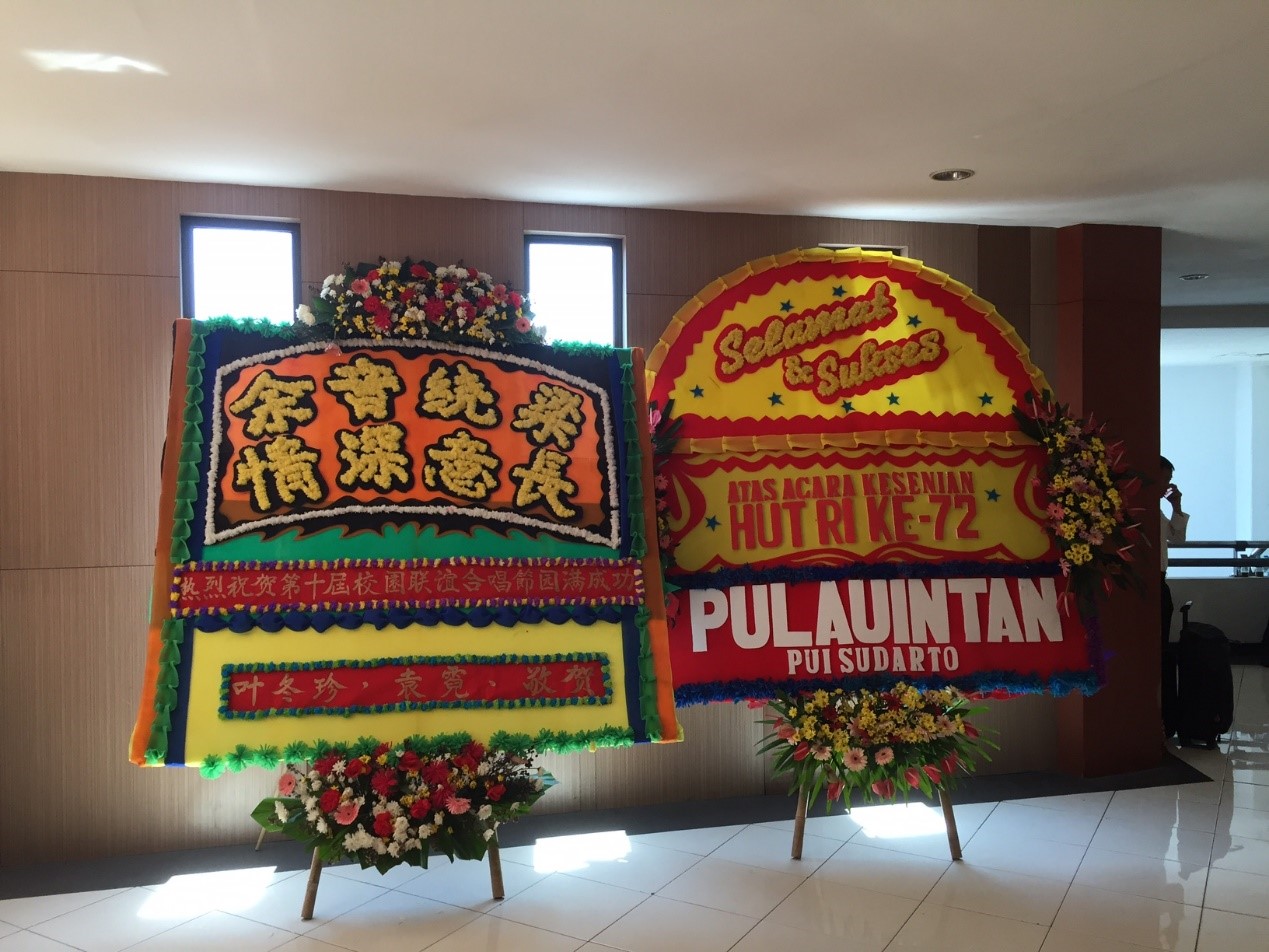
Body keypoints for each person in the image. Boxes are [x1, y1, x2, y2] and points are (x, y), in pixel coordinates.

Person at [1160, 456, 1189, 645]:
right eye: (1165, 480)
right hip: (1152, 579)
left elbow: (1177, 538)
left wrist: (1176, 506)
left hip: (1160, 578)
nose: (1168, 486)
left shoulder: (1157, 511)